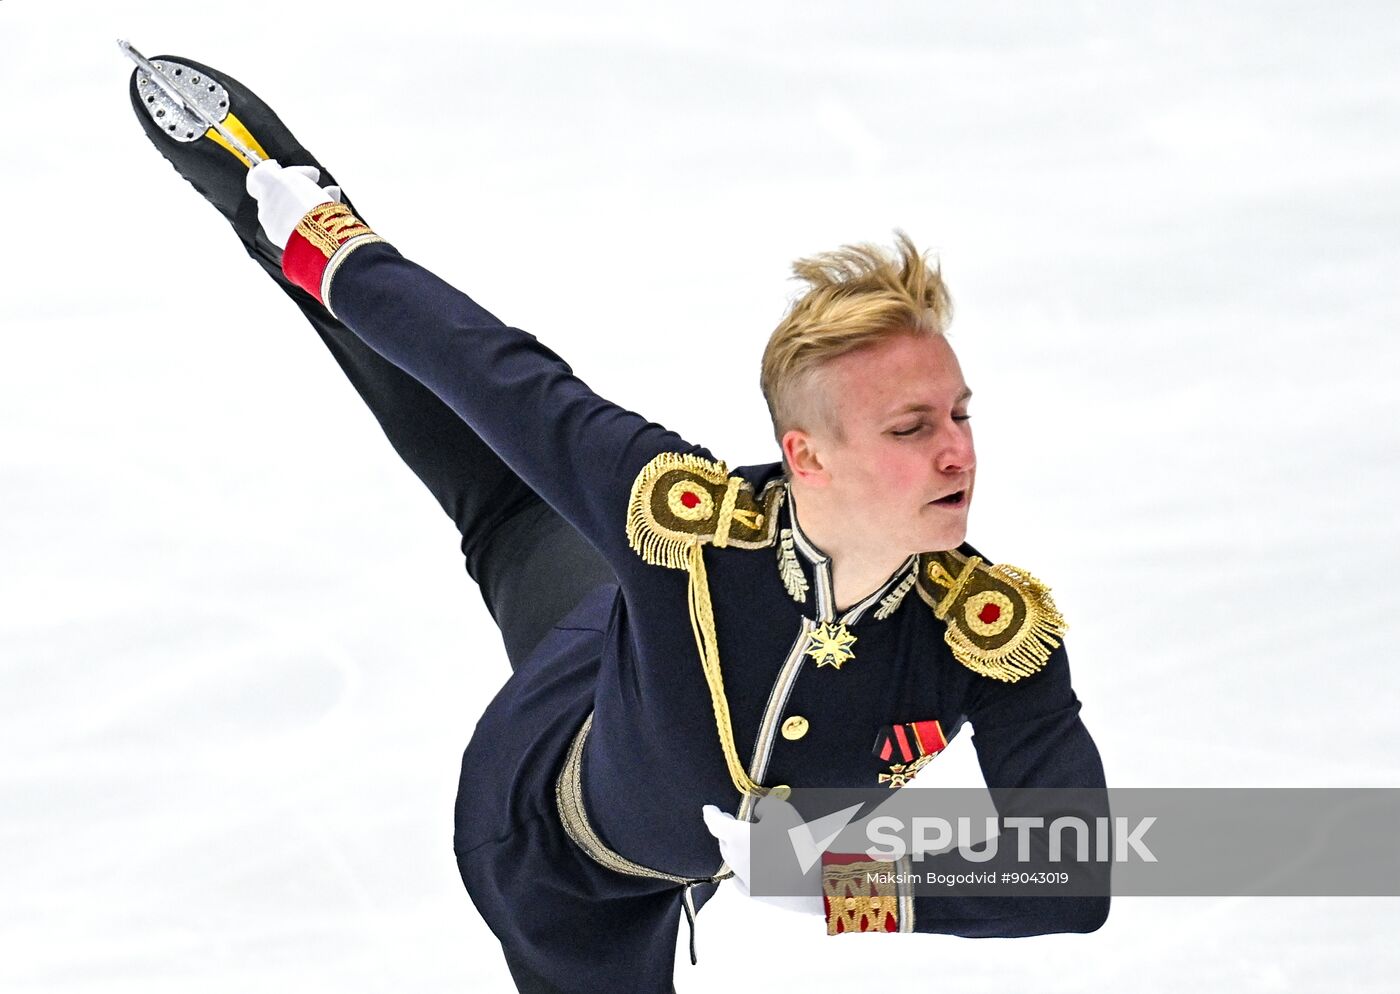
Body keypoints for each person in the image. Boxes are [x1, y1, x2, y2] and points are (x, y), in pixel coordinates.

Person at [130, 53, 1109, 994]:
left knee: (522, 515)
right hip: (548, 841)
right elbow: (497, 371)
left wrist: (846, 883)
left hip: (632, 653)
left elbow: (1075, 870)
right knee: (504, 487)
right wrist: (329, 241)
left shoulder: (989, 634)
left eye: (958, 414)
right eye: (910, 427)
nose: (956, 454)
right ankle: (273, 206)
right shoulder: (682, 521)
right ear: (808, 455)